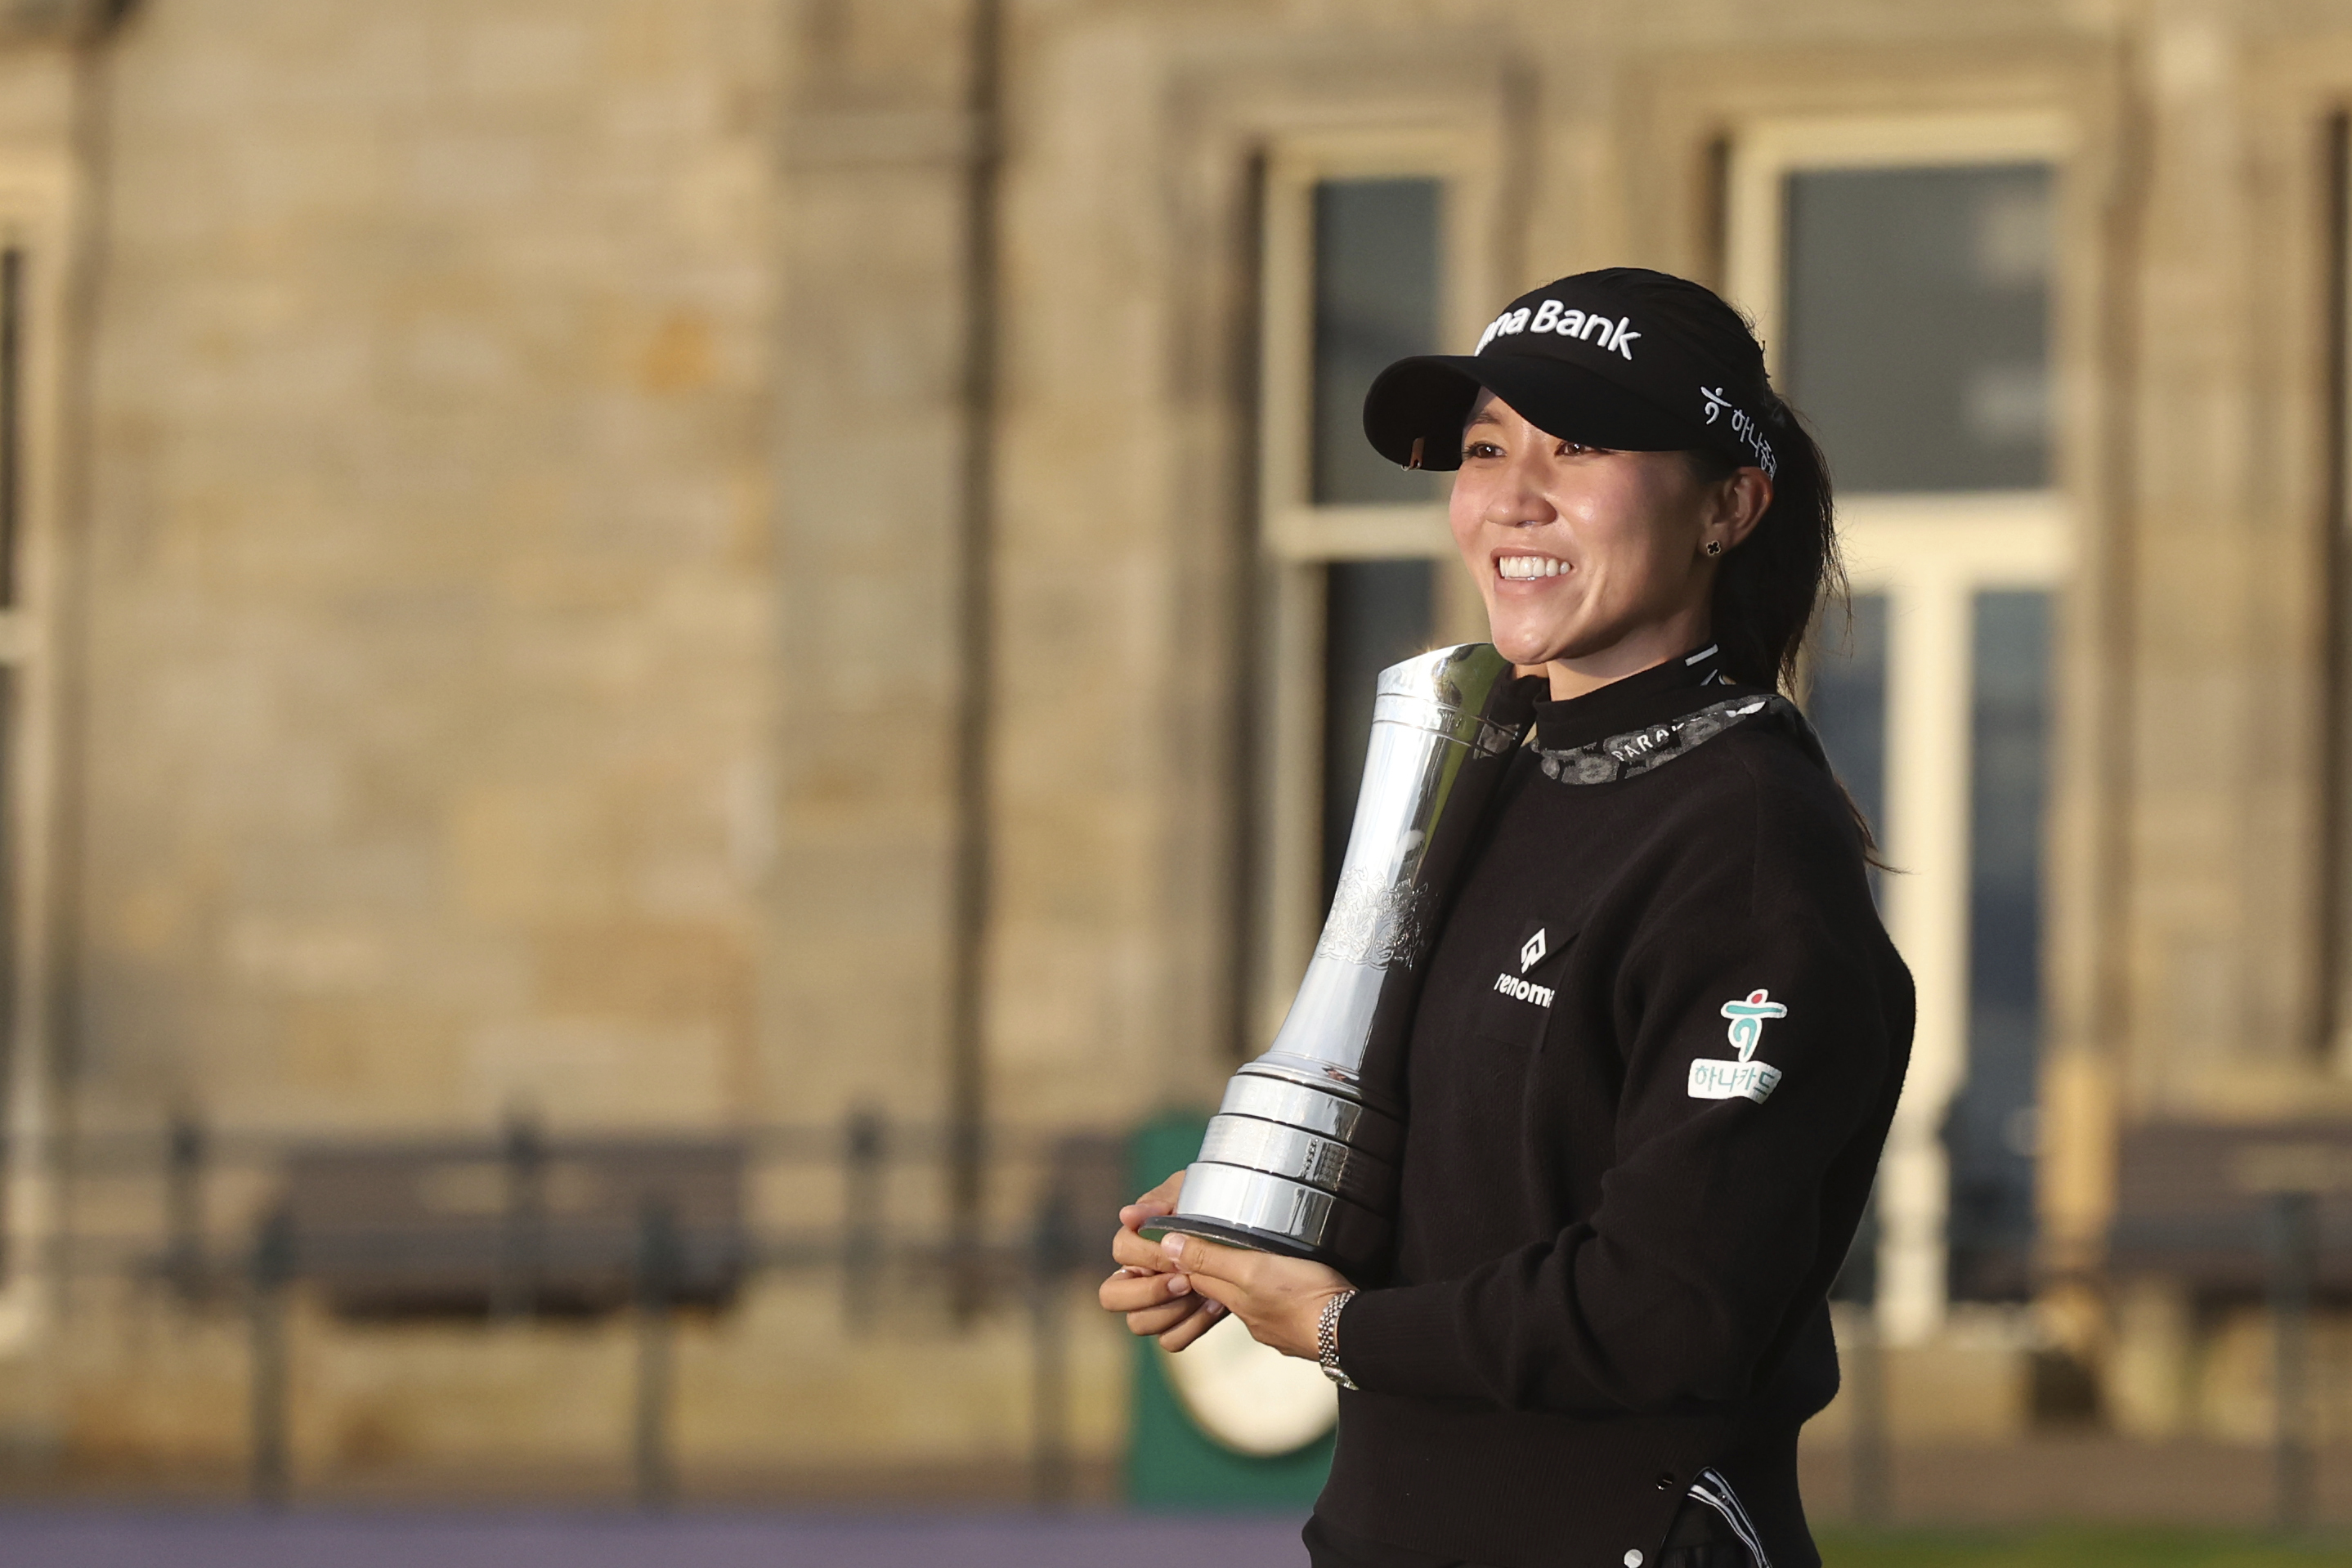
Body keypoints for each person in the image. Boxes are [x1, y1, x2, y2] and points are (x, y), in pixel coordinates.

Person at [1099, 267, 1914, 1568]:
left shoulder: (1749, 838)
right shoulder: (1490, 770)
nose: (1511, 497)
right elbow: (1496, 1167)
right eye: (1486, 449)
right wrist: (1267, 1220)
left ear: (1728, 504)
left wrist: (1333, 1328)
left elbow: (1665, 1307)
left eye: (1577, 445)